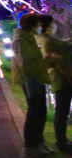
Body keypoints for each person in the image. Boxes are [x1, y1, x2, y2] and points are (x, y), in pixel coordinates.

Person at [13, 14, 54, 156]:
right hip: (30, 80)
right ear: (32, 25)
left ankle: (39, 141)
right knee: (35, 112)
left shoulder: (28, 38)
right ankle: (31, 144)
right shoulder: (21, 40)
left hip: (37, 77)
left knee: (41, 111)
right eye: (37, 24)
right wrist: (45, 60)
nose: (39, 27)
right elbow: (26, 63)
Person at [36, 15, 72, 154]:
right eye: (53, 23)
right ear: (49, 25)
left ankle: (62, 139)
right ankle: (61, 141)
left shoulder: (41, 38)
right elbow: (66, 46)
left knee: (61, 111)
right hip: (62, 78)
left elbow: (64, 43)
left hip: (56, 76)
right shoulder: (49, 41)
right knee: (62, 111)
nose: (55, 26)